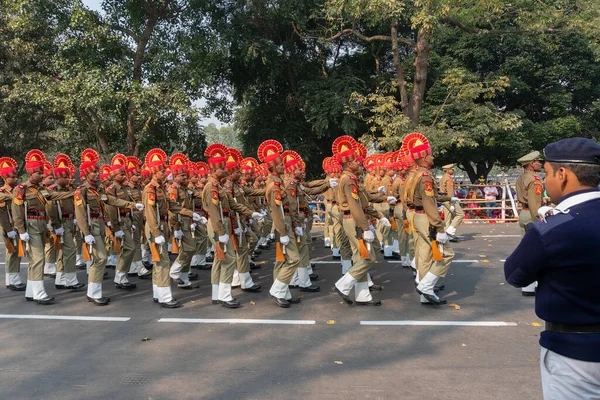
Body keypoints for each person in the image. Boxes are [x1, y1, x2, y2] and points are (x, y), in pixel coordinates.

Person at [504, 137, 600, 400]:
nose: (544, 181)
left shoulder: (552, 228)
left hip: (574, 354)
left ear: (562, 174)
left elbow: (514, 274)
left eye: (546, 173)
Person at [515, 150, 544, 296]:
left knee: (526, 248)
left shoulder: (522, 177)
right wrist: (539, 220)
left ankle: (529, 283)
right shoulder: (534, 180)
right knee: (533, 250)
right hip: (531, 215)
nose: (541, 163)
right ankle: (529, 284)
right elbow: (534, 205)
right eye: (539, 161)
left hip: (524, 213)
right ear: (532, 164)